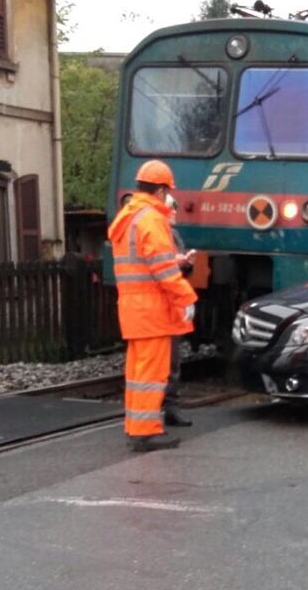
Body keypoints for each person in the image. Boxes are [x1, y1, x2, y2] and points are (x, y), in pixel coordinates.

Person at [107, 160, 197, 451]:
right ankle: (146, 431)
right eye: (168, 190)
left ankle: (136, 427)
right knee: (152, 375)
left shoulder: (129, 216)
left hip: (135, 309)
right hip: (153, 311)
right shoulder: (152, 219)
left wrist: (176, 260)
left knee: (137, 374)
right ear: (160, 190)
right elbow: (162, 271)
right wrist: (187, 297)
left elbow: (145, 263)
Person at [164, 194, 196, 428]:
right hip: (160, 308)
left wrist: (186, 265)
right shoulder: (156, 234)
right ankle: (162, 409)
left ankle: (170, 407)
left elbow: (175, 272)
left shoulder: (173, 235)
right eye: (171, 209)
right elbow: (160, 269)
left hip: (171, 307)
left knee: (172, 362)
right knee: (163, 363)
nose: (175, 212)